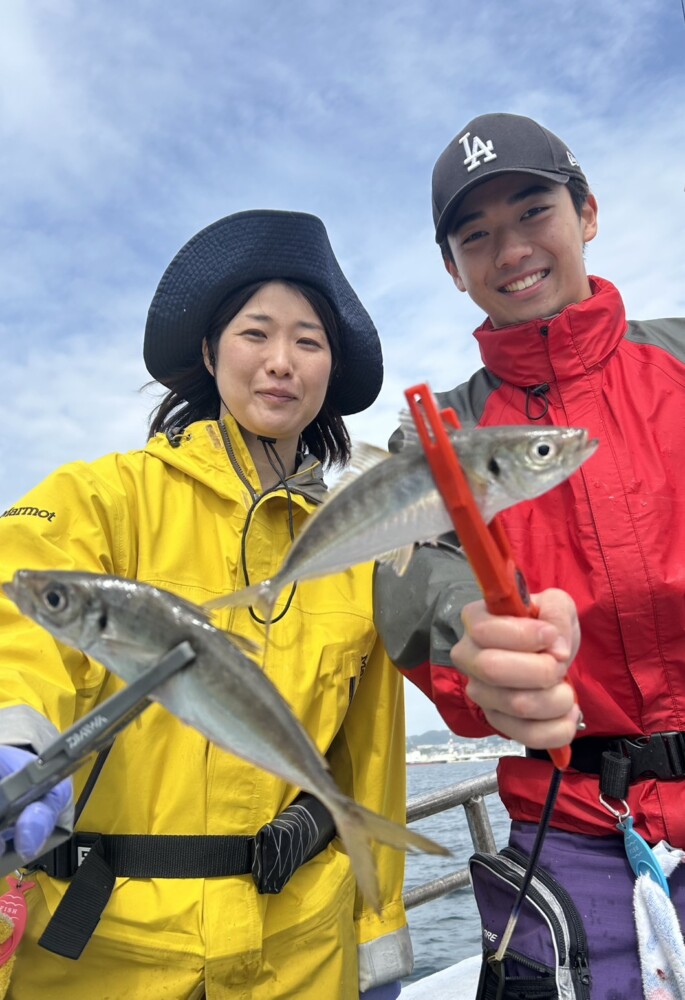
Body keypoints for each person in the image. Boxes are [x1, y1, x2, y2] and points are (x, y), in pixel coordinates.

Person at [0, 209, 410, 999]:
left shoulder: (353, 552)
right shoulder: (104, 497)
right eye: (256, 333)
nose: (281, 362)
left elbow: (370, 758)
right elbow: (16, 614)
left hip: (303, 954)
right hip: (103, 954)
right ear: (209, 350)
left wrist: (378, 934)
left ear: (329, 371)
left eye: (309, 341)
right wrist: (13, 732)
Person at [374, 113, 685, 998]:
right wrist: (470, 651)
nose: (507, 248)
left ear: (587, 212)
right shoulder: (432, 442)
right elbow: (417, 586)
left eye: (532, 210)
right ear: (451, 269)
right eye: (475, 235)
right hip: (572, 834)